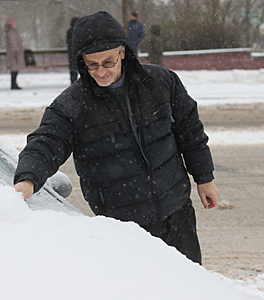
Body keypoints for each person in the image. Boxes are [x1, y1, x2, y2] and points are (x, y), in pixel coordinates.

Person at [13, 11, 218, 264]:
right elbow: (45, 143)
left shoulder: (160, 83)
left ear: (122, 52)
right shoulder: (71, 105)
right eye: (92, 64)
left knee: (191, 288)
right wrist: (27, 179)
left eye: (108, 62)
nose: (101, 72)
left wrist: (204, 177)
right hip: (123, 225)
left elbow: (190, 131)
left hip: (176, 210)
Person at [5, 18, 24, 90]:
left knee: (15, 69)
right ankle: (13, 84)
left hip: (14, 54)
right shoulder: (11, 32)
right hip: (14, 54)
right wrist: (16, 51)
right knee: (14, 69)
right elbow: (13, 43)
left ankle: (14, 83)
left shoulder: (12, 31)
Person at [67, 17, 80, 84]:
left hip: (72, 53)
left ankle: (73, 83)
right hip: (79, 53)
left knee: (73, 69)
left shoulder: (69, 32)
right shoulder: (80, 31)